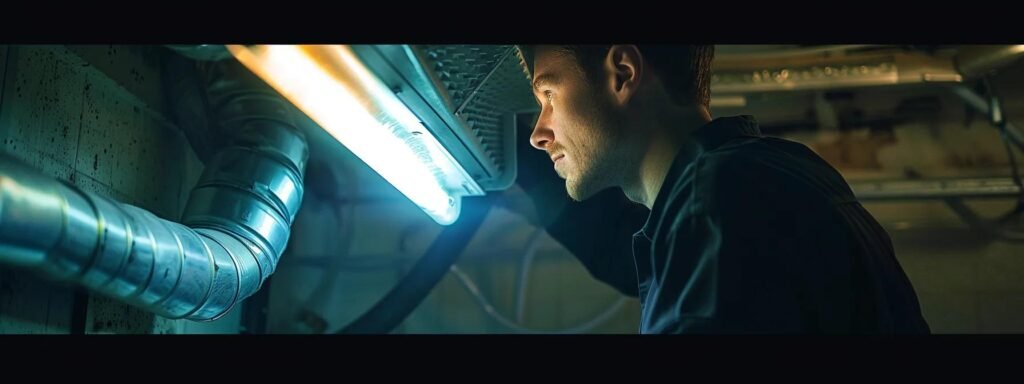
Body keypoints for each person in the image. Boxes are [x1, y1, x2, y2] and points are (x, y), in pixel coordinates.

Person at [508, 45, 930, 334]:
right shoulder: (767, 174)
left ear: (623, 73)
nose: (538, 133)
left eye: (549, 95)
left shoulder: (716, 208)